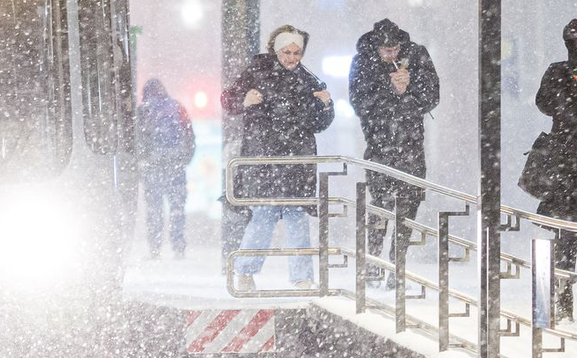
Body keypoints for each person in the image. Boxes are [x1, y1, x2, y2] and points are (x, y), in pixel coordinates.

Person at [221, 25, 334, 290]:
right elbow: (228, 100)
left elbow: (318, 124)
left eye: (297, 53)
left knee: (295, 217)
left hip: (296, 160)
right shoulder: (257, 71)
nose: (292, 58)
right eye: (287, 52)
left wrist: (326, 105)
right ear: (276, 49)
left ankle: (301, 277)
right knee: (264, 215)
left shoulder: (309, 80)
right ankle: (246, 272)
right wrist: (244, 100)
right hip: (265, 159)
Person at [348, 19, 441, 281]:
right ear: (376, 47)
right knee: (380, 205)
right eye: (386, 50)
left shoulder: (417, 55)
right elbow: (359, 102)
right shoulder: (363, 61)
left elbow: (432, 96)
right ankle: (374, 263)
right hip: (379, 146)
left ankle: (396, 266)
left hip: (411, 144)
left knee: (409, 206)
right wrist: (390, 89)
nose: (391, 54)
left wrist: (409, 87)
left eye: (395, 49)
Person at [534, 16, 577, 320]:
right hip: (569, 167)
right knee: (566, 237)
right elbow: (543, 102)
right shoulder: (559, 70)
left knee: (570, 236)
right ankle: (561, 300)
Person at [136, 78, 195, 259]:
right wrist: (184, 159)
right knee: (177, 208)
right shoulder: (177, 108)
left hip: (153, 167)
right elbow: (190, 136)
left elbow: (138, 139)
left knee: (154, 209)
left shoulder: (143, 110)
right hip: (175, 167)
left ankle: (155, 249)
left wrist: (142, 162)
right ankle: (178, 248)